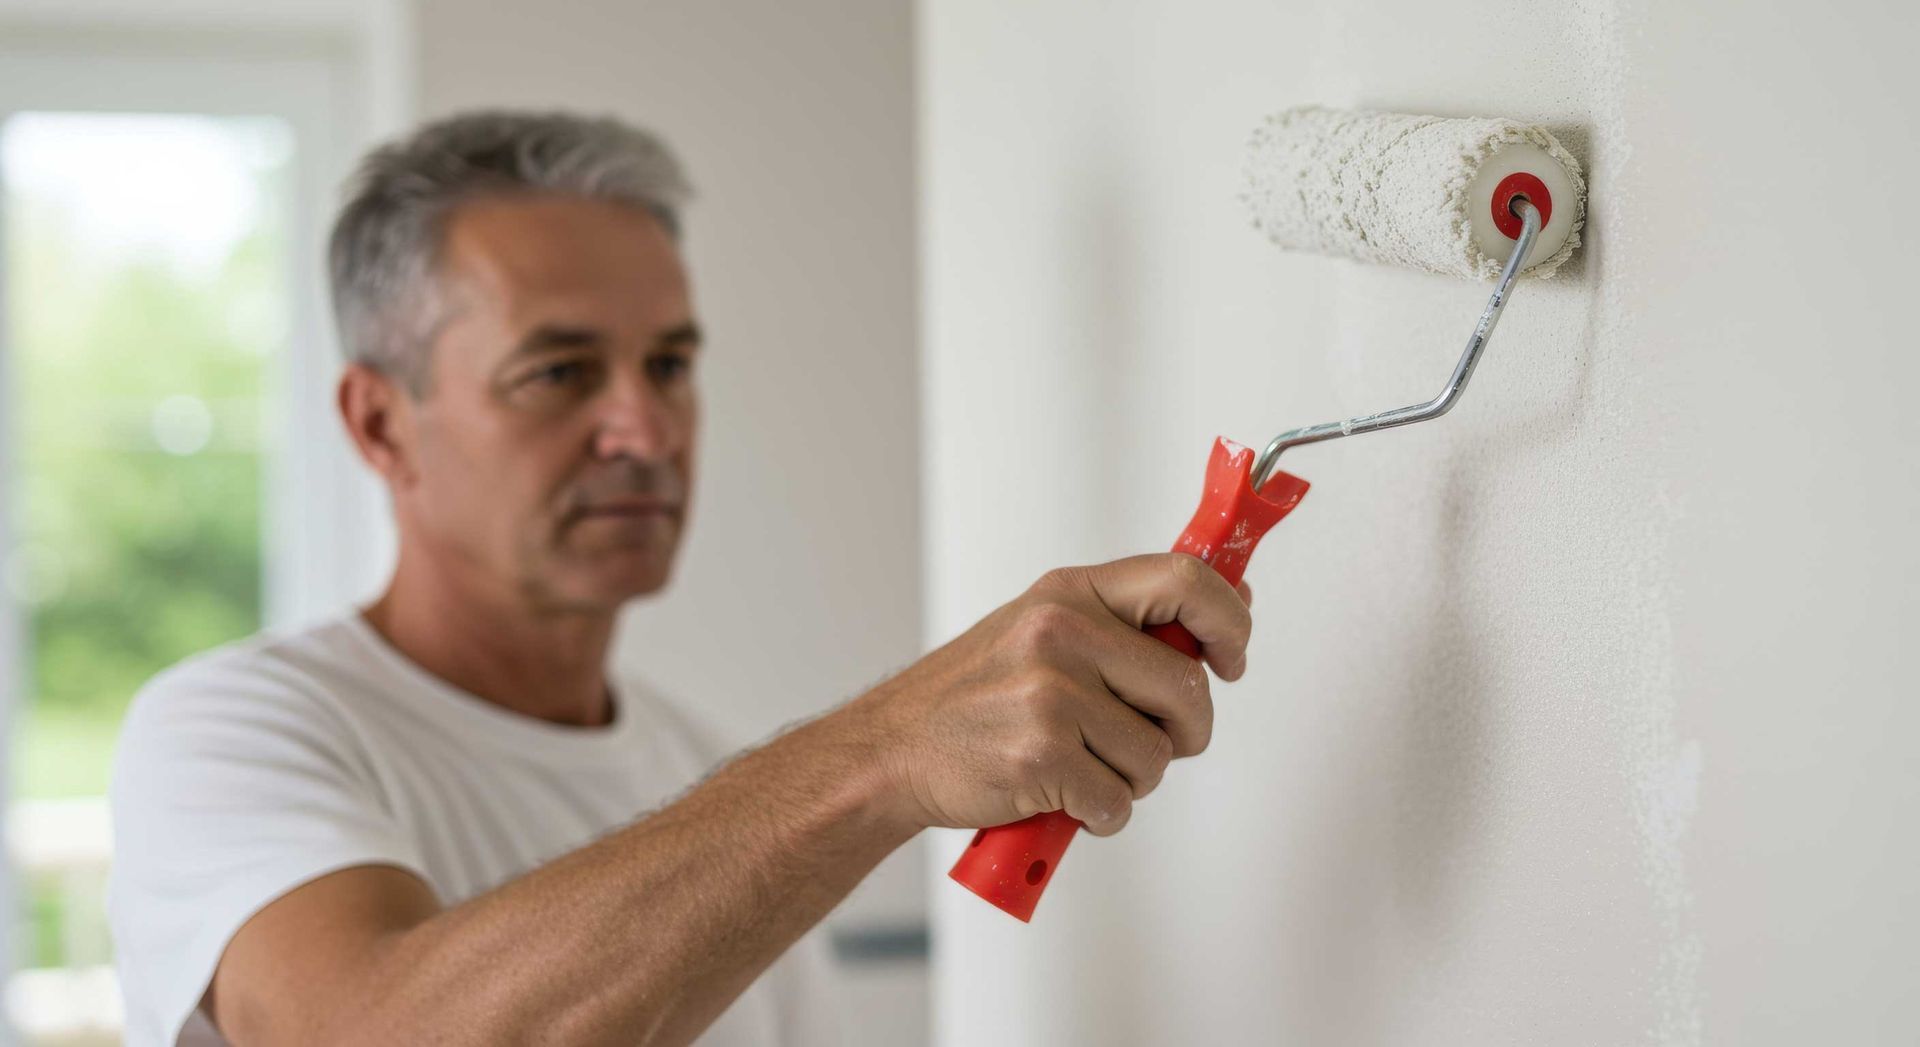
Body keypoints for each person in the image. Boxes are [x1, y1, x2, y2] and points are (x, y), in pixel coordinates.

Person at [107, 110, 1254, 1046]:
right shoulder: (231, 731)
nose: (645, 429)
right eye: (558, 371)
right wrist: (884, 752)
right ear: (379, 423)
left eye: (669, 364)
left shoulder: (699, 774)